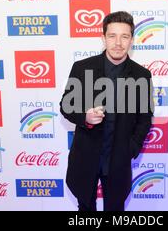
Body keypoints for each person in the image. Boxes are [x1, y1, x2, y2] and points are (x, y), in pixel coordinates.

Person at [60, 11, 154, 211]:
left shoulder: (142, 75)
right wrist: (85, 117)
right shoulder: (82, 67)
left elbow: (145, 118)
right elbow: (66, 106)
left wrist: (131, 148)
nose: (118, 43)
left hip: (118, 159)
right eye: (112, 36)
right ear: (103, 38)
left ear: (132, 40)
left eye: (124, 36)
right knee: (85, 208)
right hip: (86, 156)